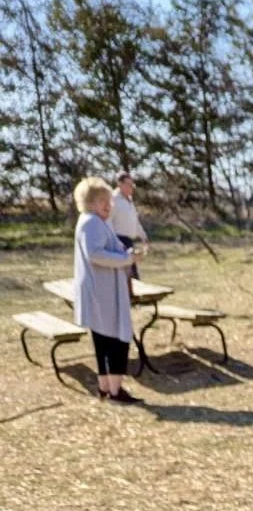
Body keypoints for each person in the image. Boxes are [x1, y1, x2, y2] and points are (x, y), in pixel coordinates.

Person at [72, 176, 142, 404]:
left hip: (102, 291)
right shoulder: (90, 222)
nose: (108, 205)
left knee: (103, 340)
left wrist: (126, 253)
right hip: (103, 293)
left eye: (108, 200)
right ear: (90, 202)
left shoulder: (95, 221)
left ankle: (105, 388)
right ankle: (115, 391)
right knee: (115, 340)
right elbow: (95, 254)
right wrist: (126, 259)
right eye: (102, 200)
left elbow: (106, 248)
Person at [109, 172, 148, 281]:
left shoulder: (129, 200)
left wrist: (143, 236)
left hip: (129, 241)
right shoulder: (113, 200)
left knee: (132, 274)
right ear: (120, 184)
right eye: (128, 184)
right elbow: (108, 221)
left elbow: (134, 221)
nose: (131, 187)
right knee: (126, 275)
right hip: (118, 241)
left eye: (132, 184)